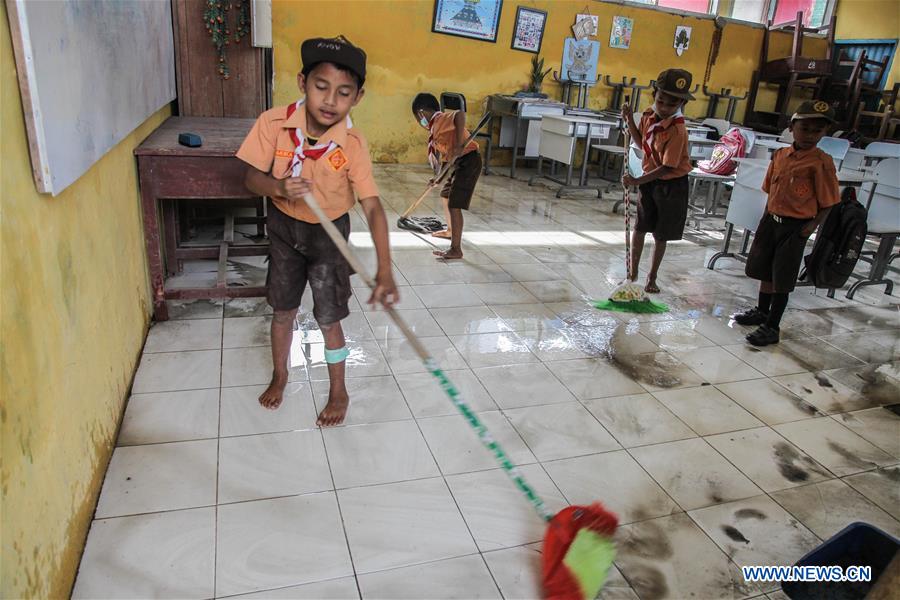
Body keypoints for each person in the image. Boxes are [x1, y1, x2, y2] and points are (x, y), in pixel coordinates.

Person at [237, 35, 397, 425]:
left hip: (329, 237)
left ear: (357, 98)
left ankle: (338, 390)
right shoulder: (273, 125)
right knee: (282, 310)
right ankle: (280, 374)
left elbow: (372, 205)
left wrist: (385, 267)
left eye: (343, 93)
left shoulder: (353, 145)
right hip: (283, 228)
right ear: (302, 83)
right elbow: (250, 178)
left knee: (330, 316)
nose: (330, 101)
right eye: (320, 87)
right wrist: (277, 187)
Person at [733, 100, 840, 346]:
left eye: (817, 130)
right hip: (772, 220)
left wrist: (810, 227)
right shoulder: (780, 155)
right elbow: (770, 188)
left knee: (782, 275)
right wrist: (767, 216)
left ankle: (772, 326)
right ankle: (762, 311)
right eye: (805, 128)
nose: (810, 135)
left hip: (796, 227)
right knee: (764, 268)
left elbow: (829, 201)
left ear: (825, 132)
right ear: (792, 127)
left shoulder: (821, 163)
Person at [621, 69, 695, 293]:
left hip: (671, 184)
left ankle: (651, 278)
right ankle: (632, 275)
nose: (663, 108)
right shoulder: (648, 116)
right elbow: (640, 141)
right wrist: (629, 119)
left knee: (660, 233)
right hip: (649, 180)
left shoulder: (677, 130)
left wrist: (636, 180)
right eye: (660, 101)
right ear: (655, 94)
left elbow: (666, 167)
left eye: (670, 105)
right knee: (640, 227)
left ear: (681, 104)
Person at [412, 93, 483, 260]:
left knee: (454, 204)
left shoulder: (440, 120)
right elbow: (447, 159)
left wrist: (459, 144)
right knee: (445, 194)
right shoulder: (435, 130)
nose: (419, 122)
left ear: (422, 113)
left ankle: (456, 249)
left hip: (469, 161)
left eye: (417, 118)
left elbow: (459, 114)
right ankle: (450, 230)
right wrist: (439, 178)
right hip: (459, 163)